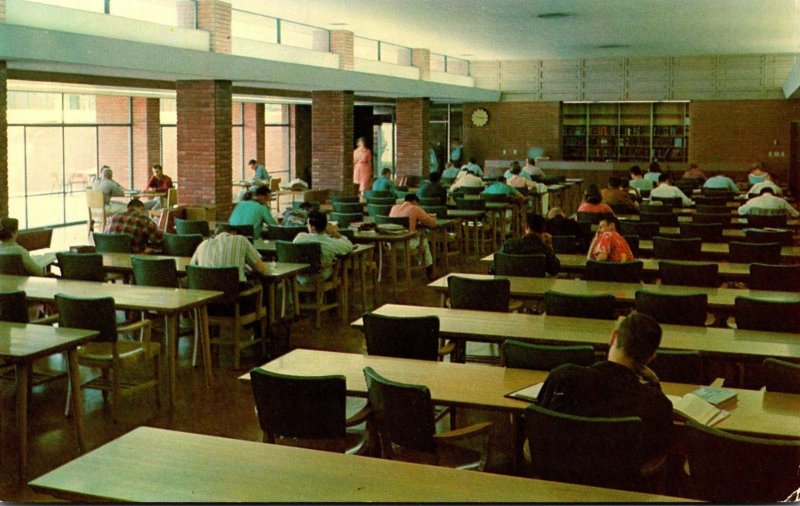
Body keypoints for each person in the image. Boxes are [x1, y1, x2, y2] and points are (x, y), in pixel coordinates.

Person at [535, 312, 673, 466]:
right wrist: (655, 385)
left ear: (613, 337)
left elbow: (539, 420)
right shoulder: (654, 402)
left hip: (557, 472)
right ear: (651, 357)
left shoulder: (562, 378)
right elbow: (659, 445)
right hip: (618, 482)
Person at [489, 212, 560, 276]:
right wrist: (550, 246)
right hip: (536, 287)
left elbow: (493, 268)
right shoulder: (545, 248)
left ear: (526, 227)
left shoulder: (509, 244)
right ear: (543, 229)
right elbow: (554, 269)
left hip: (509, 286)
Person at [293, 211, 353, 284]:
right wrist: (334, 233)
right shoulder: (331, 242)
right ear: (325, 226)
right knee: (338, 266)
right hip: (321, 277)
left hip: (299, 277)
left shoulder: (300, 237)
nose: (306, 226)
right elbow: (350, 246)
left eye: (308, 224)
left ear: (313, 228)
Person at [190, 228, 267, 283]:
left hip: (208, 296)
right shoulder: (241, 240)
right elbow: (260, 269)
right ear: (233, 233)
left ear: (214, 235)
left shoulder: (203, 244)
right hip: (235, 294)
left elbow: (191, 269)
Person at [389, 194, 437, 278]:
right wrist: (431, 217)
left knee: (418, 238)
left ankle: (419, 262)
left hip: (392, 244)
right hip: (407, 244)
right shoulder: (415, 208)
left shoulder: (394, 208)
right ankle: (429, 271)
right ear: (415, 201)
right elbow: (432, 224)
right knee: (424, 241)